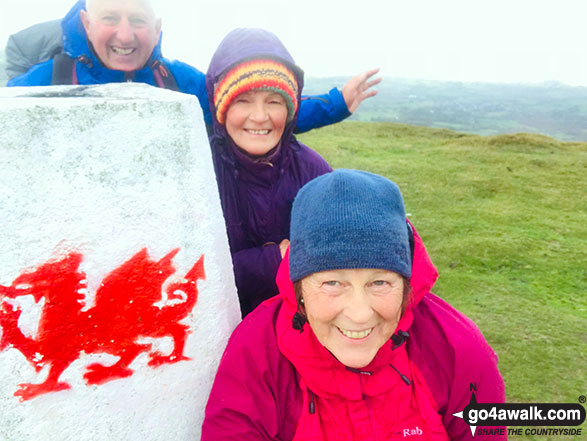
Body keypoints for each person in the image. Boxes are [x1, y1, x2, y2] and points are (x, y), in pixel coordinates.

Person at [201, 169, 506, 440]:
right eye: (332, 283)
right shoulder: (256, 351)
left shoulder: (456, 347)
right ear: (299, 289)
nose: (359, 315)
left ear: (406, 285)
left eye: (380, 283)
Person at [6, 0, 380, 133]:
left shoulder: (175, 80)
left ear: (157, 29)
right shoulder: (45, 82)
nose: (125, 35)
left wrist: (337, 103)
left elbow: (248, 112)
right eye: (110, 18)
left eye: (137, 21)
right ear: (86, 23)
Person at [206, 28, 338, 316]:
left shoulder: (314, 172)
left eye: (274, 101)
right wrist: (273, 260)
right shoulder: (200, 174)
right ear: (221, 107)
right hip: (216, 333)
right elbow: (191, 273)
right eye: (243, 100)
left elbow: (334, 262)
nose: (260, 116)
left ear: (290, 110)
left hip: (296, 330)